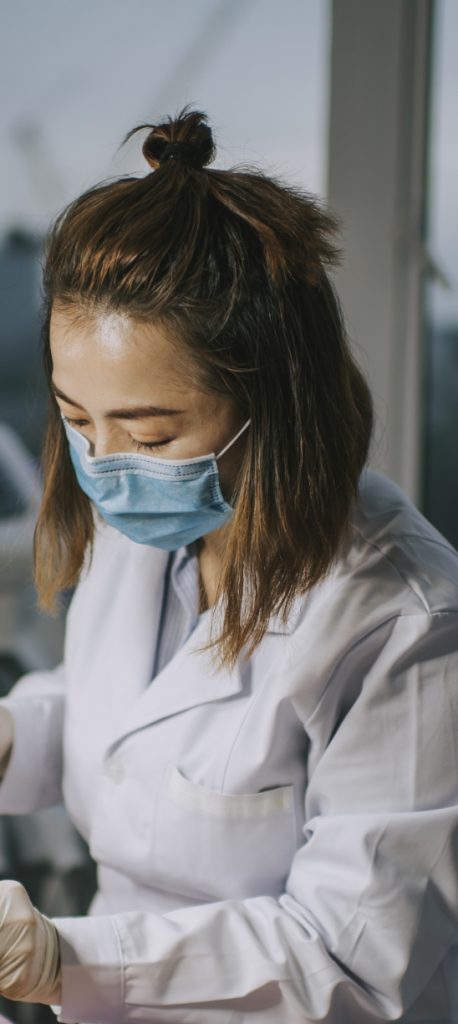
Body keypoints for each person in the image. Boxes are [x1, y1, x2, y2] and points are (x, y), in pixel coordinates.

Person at [0, 105, 456, 1024]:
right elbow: (130, 721)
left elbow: (351, 962)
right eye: (77, 420)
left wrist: (59, 961)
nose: (104, 464)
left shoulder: (406, 623)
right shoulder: (157, 522)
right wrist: (18, 735)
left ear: (276, 404)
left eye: (148, 430)